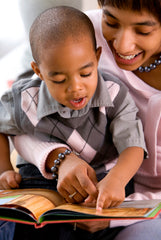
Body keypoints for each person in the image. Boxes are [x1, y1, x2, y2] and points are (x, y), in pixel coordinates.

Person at [11, 0, 161, 239]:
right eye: (111, 21)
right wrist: (59, 158)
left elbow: (133, 146)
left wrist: (116, 214)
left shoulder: (114, 93)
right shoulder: (83, 32)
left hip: (142, 204)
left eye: (143, 30)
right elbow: (25, 113)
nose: (122, 45)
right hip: (67, 184)